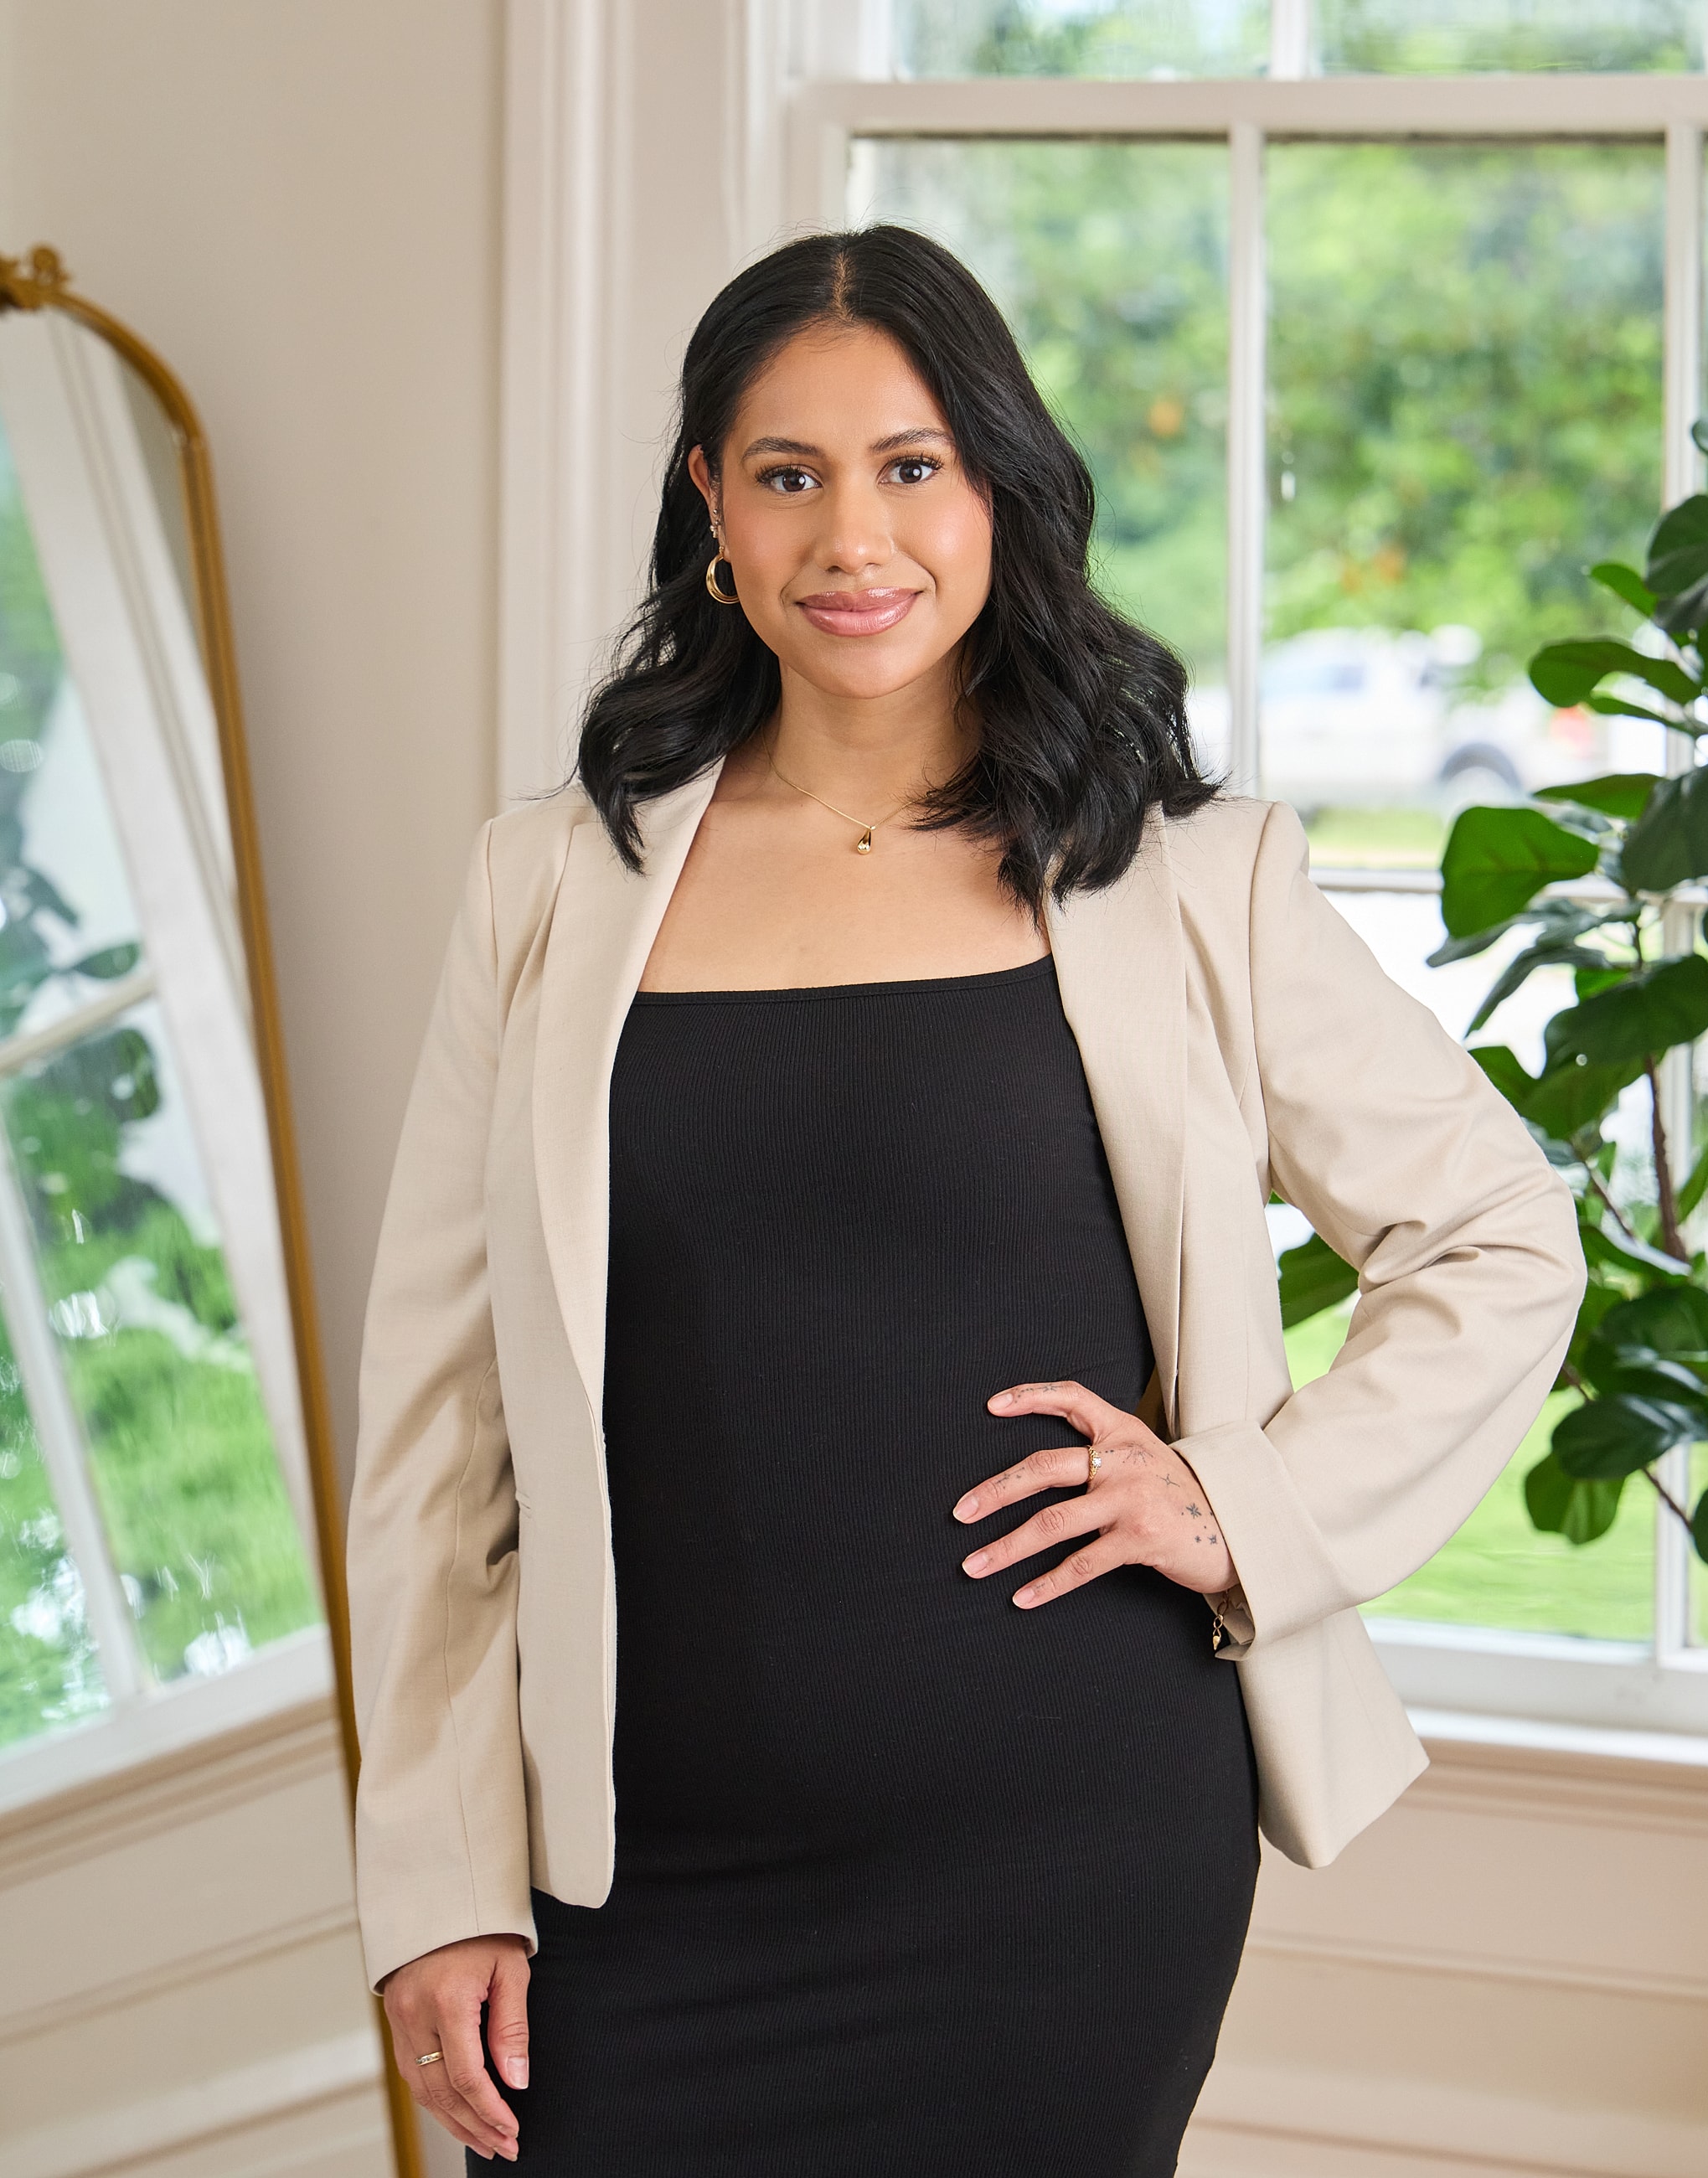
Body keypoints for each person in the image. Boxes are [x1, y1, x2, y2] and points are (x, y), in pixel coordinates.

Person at [346, 226, 1584, 2175]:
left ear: (999, 483)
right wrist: (432, 1874)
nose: (855, 537)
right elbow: (437, 1432)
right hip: (633, 1882)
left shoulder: (1190, 876)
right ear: (710, 510)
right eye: (789, 474)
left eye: (912, 465)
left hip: (1066, 1869)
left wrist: (1231, 1501)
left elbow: (1501, 1240)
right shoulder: (544, 890)